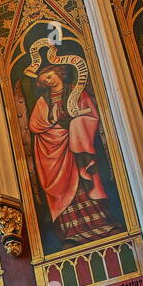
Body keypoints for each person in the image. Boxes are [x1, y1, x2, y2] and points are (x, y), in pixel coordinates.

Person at [27, 62, 112, 242]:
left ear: (59, 72)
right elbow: (35, 125)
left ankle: (100, 223)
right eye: (44, 80)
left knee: (83, 184)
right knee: (64, 190)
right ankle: (71, 231)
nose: (49, 82)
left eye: (49, 76)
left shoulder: (75, 92)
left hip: (78, 148)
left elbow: (92, 116)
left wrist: (75, 124)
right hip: (56, 151)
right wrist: (56, 125)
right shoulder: (43, 101)